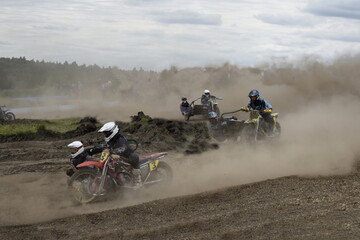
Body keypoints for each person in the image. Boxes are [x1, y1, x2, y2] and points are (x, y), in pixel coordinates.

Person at [98, 122, 142, 188]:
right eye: (105, 133)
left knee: (134, 157)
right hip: (118, 157)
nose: (105, 134)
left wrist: (112, 151)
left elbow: (122, 148)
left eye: (106, 133)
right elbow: (106, 146)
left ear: (112, 131)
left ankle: (138, 181)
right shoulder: (111, 140)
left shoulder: (121, 139)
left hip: (127, 156)